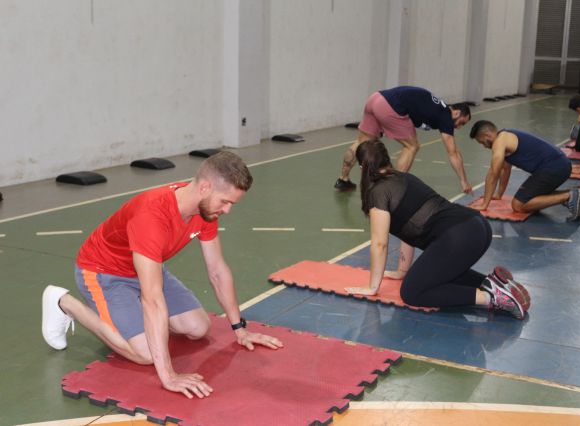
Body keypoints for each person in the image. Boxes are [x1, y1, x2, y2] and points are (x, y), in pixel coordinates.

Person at [42, 152, 283, 399]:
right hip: (104, 273)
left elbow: (217, 270)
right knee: (146, 354)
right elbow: (153, 300)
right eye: (225, 201)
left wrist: (240, 329)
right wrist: (168, 376)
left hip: (148, 266)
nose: (227, 210)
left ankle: (130, 314)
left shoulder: (205, 210)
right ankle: (64, 303)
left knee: (198, 328)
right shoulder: (151, 216)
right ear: (205, 187)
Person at [344, 140, 530, 320]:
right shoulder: (403, 178)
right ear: (387, 159)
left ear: (362, 168)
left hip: (459, 236)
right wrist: (402, 270)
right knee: (438, 274)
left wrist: (372, 288)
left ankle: (491, 298)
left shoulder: (378, 192)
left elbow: (379, 244)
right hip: (477, 226)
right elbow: (407, 230)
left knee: (412, 292)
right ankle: (496, 284)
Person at [334, 86, 473, 194]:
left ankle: (343, 180)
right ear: (456, 112)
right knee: (412, 146)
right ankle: (392, 189)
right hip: (390, 106)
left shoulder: (438, 108)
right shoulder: (445, 116)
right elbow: (453, 153)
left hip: (376, 98)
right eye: (461, 122)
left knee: (361, 143)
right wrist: (464, 181)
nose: (459, 127)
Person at [469, 120, 580, 221]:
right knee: (531, 198)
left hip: (553, 167)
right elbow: (505, 169)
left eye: (482, 142)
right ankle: (575, 192)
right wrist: (499, 194)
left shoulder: (499, 141)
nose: (484, 146)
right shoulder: (506, 136)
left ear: (487, 134)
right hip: (559, 165)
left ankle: (568, 196)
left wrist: (484, 204)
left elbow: (493, 173)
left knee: (518, 205)